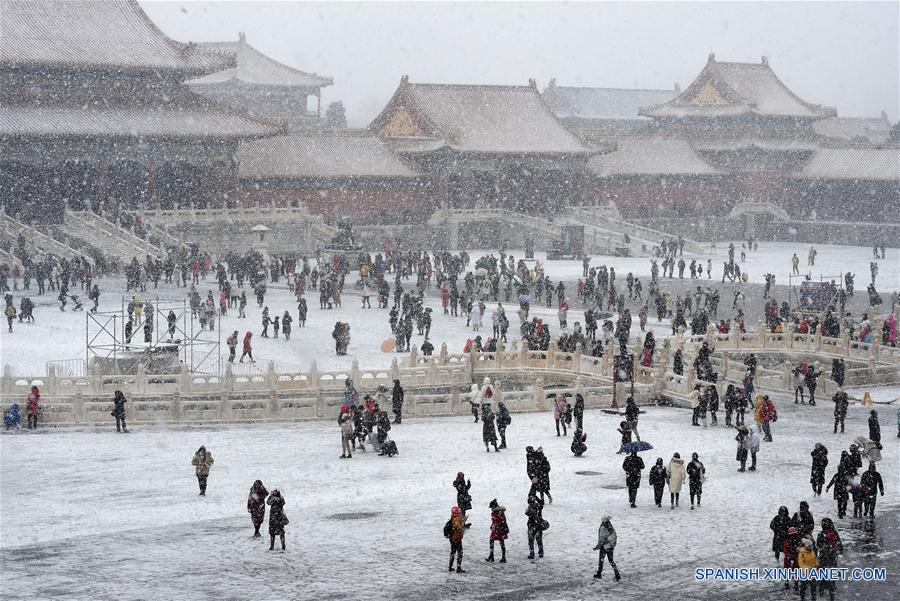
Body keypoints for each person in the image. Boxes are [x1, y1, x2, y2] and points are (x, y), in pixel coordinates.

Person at [816, 518, 843, 601]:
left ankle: (822, 587)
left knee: (823, 570)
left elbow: (818, 545)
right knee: (832, 569)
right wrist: (839, 549)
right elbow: (839, 543)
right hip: (832, 555)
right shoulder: (834, 533)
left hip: (824, 556)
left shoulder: (821, 534)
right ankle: (831, 585)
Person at [592, 516, 621, 580]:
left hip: (604, 547)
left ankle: (599, 574)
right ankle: (617, 574)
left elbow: (602, 539)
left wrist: (598, 546)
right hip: (610, 547)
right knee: (611, 561)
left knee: (601, 561)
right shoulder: (610, 526)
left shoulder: (603, 527)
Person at [446, 506, 467, 572]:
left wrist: (463, 520)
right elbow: (458, 527)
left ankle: (450, 567)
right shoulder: (457, 519)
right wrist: (463, 528)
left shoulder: (453, 517)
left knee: (453, 552)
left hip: (452, 538)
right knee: (460, 553)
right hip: (457, 538)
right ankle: (458, 568)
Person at [486, 499, 508, 563]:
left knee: (492, 541)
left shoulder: (496, 512)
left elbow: (497, 521)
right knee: (501, 543)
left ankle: (492, 556)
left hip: (497, 529)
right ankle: (503, 557)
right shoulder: (500, 511)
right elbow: (503, 520)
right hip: (500, 529)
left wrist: (494, 525)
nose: (490, 509)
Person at [525, 492, 545, 559]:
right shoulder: (539, 506)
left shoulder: (530, 507)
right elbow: (541, 504)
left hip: (532, 525)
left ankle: (532, 553)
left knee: (531, 541)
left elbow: (527, 513)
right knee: (539, 540)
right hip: (539, 525)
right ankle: (541, 553)